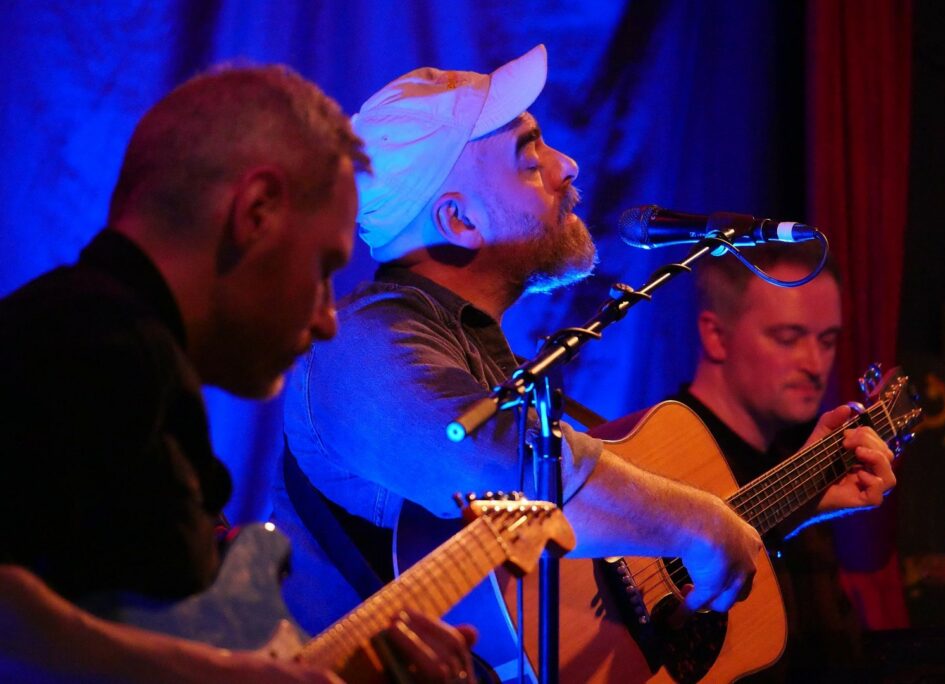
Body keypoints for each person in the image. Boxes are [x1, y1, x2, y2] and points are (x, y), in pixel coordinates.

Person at [270, 43, 893, 675]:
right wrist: (697, 526)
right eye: (528, 156)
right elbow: (516, 481)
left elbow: (606, 568)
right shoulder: (356, 346)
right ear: (458, 220)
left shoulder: (485, 365)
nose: (566, 166)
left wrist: (792, 500)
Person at [0, 64, 475, 683]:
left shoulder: (103, 350)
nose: (328, 319)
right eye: (324, 267)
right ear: (256, 211)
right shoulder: (90, 348)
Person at [670, 243, 895, 679]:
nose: (815, 364)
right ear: (716, 335)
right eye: (788, 338)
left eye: (828, 341)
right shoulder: (660, 453)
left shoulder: (803, 462)